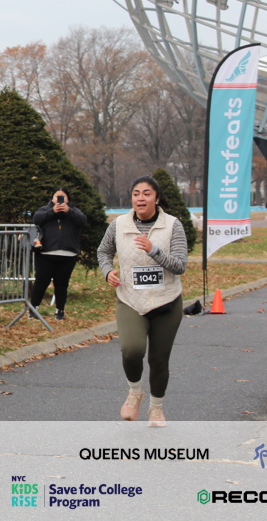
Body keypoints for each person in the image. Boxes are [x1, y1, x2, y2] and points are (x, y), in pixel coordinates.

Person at [97, 175, 188, 428]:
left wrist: (153, 250)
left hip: (166, 301)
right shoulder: (119, 225)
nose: (141, 198)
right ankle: (135, 391)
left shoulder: (173, 225)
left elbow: (180, 266)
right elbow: (103, 251)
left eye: (147, 193)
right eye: (136, 193)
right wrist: (108, 271)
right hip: (130, 300)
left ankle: (156, 408)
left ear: (156, 198)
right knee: (131, 350)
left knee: (158, 359)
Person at [30, 188, 87, 321]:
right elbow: (36, 219)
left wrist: (69, 211)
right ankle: (33, 309)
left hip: (68, 254)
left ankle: (60, 311)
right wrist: (52, 211)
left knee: (62, 284)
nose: (60, 200)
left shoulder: (74, 211)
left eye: (63, 197)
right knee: (41, 281)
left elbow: (82, 221)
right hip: (45, 253)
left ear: (68, 199)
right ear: (52, 198)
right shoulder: (45, 210)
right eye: (57, 197)